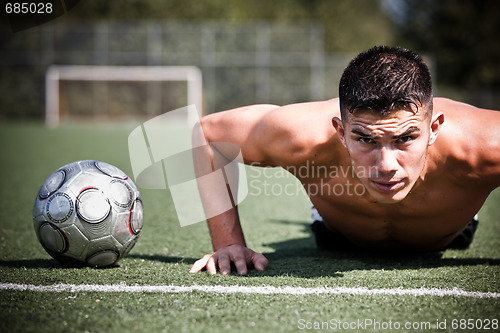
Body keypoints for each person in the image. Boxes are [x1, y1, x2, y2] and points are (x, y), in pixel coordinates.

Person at [189, 46, 500, 275]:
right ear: (340, 131)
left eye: (405, 138)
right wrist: (228, 243)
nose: (386, 165)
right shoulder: (302, 136)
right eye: (366, 139)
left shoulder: (483, 146)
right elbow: (208, 134)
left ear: (433, 129)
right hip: (336, 233)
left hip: (451, 233)